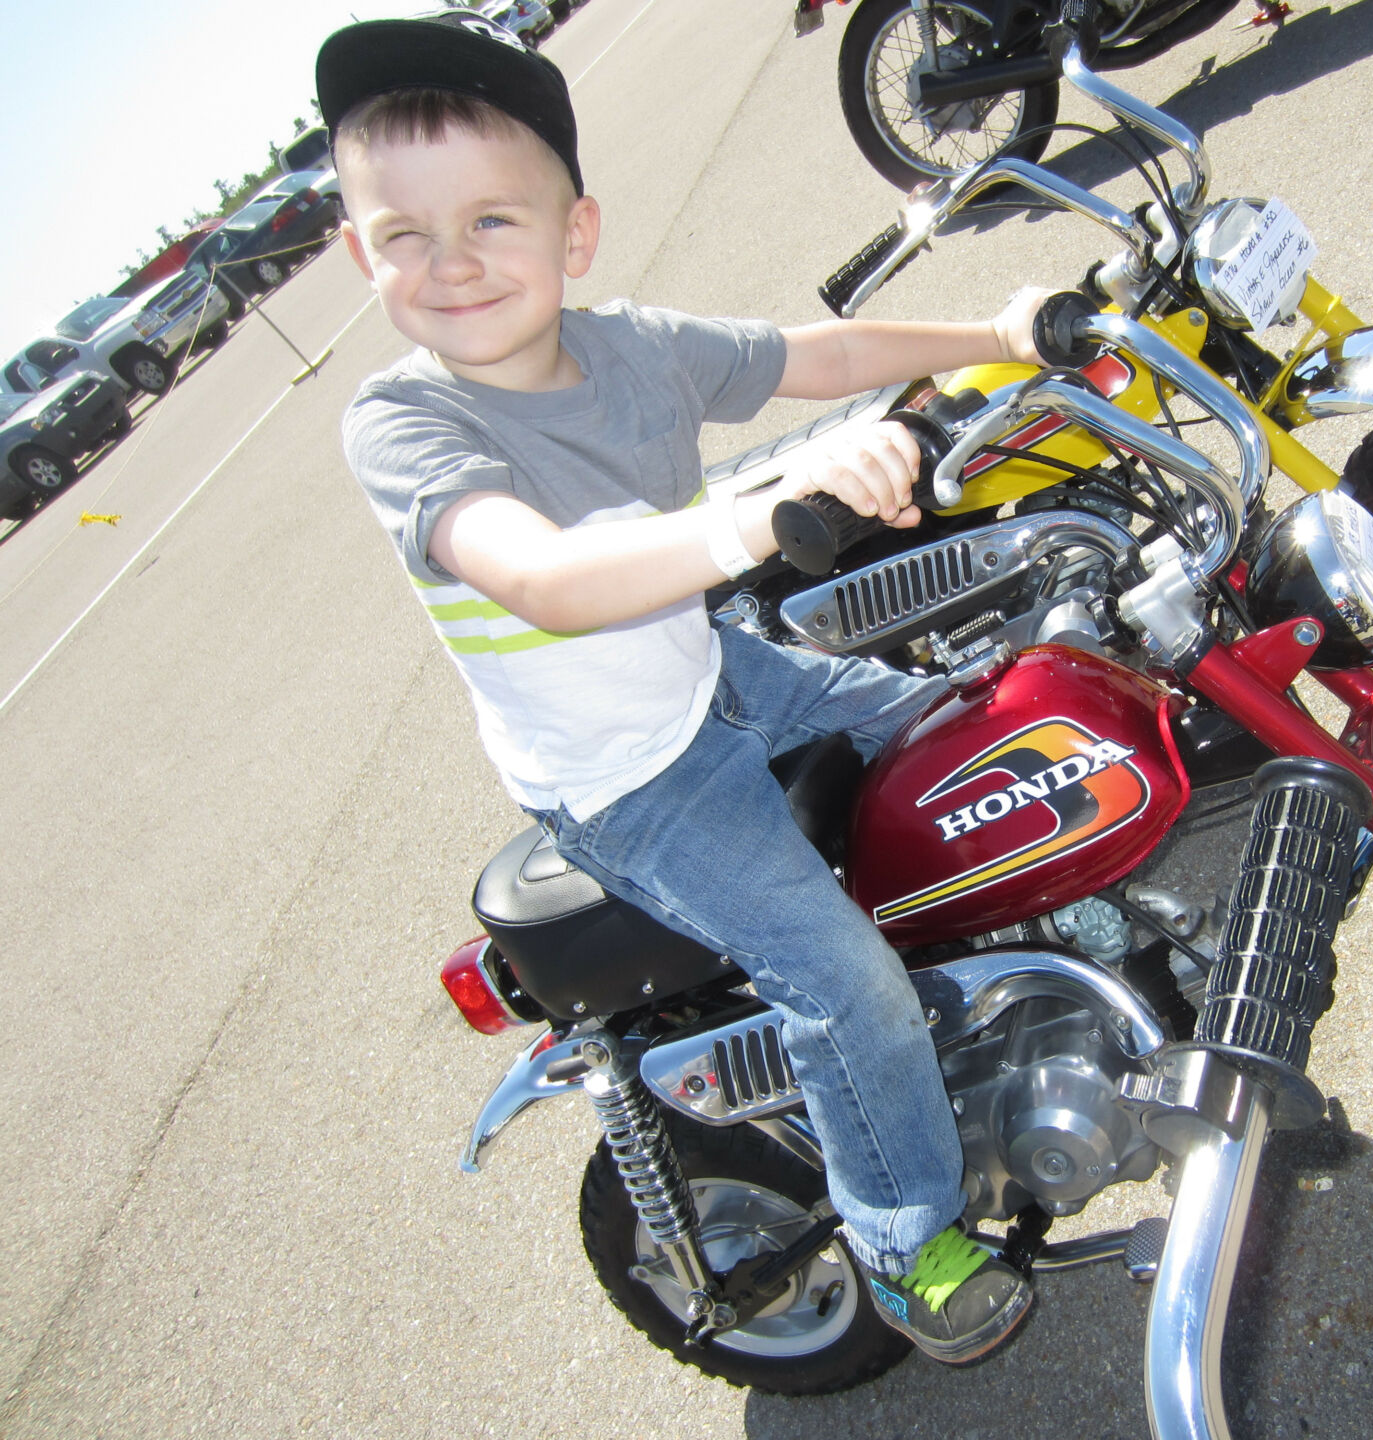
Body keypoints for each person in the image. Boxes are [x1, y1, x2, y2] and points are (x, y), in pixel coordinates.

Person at [318, 13, 1045, 1365]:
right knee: (845, 986)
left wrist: (999, 330)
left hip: (719, 670)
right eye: (405, 234)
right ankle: (903, 1240)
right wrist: (766, 511)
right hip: (631, 787)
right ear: (362, 255)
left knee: (983, 727)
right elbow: (540, 577)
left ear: (574, 234)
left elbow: (811, 360)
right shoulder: (409, 424)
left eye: (492, 219)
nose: (454, 263)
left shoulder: (634, 345)